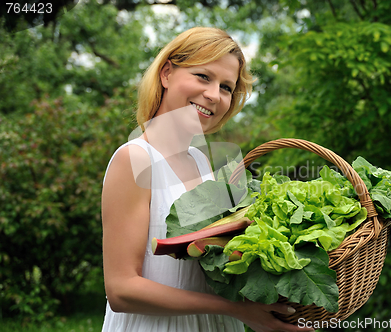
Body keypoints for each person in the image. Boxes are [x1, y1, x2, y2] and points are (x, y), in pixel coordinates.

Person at [100, 27, 315, 332]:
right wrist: (236, 309)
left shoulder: (201, 162)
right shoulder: (135, 159)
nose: (214, 95)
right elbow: (122, 290)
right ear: (166, 74)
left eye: (226, 87)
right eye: (203, 77)